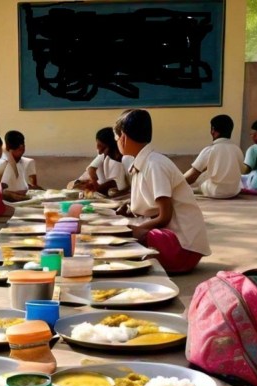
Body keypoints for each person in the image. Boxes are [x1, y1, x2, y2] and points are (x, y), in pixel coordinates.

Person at [114, 109, 211, 274]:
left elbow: (164, 216)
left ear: (123, 137)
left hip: (183, 249)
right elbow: (152, 207)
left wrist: (135, 230)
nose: (116, 141)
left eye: (116, 137)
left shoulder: (154, 164)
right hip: (172, 243)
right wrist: (131, 209)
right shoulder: (141, 163)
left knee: (123, 238)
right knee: (121, 234)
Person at [183, 115, 243, 199]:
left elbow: (192, 176)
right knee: (210, 168)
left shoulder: (210, 150)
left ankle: (187, 189)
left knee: (200, 172)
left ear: (213, 130)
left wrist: (176, 185)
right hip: (234, 191)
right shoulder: (238, 150)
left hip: (215, 192)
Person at [69, 127, 129, 197]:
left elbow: (119, 188)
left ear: (114, 147)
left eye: (103, 148)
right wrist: (80, 183)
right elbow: (74, 184)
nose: (99, 151)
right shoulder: (102, 157)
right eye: (98, 146)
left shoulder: (126, 162)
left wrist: (97, 188)